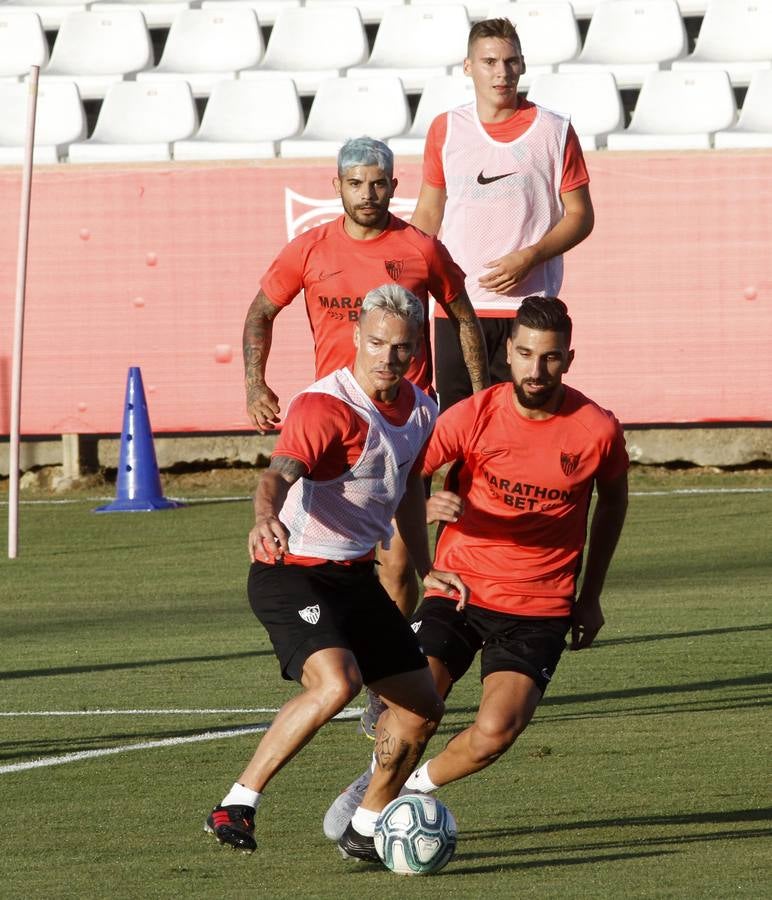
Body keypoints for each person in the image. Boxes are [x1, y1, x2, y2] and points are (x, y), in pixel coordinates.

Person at [322, 296, 628, 840]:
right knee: (413, 709)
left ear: (569, 359)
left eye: (550, 357)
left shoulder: (596, 429)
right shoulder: (474, 415)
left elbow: (613, 503)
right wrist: (423, 506)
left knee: (495, 732)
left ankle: (411, 790)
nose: (536, 370)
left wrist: (591, 595)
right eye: (526, 354)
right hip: (457, 590)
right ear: (508, 352)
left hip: (540, 605)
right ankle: (368, 817)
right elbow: (406, 475)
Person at [206, 285, 468, 862]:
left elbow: (407, 491)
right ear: (355, 337)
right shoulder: (324, 407)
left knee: (423, 709)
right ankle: (237, 803)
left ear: (416, 348)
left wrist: (427, 568)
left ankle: (366, 826)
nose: (387, 358)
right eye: (375, 343)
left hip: (355, 580)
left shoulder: (422, 410)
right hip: (291, 572)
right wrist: (264, 516)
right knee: (337, 683)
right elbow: (276, 475)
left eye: (401, 347)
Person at [244, 136, 488, 736]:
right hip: (335, 431)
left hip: (404, 429)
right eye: (356, 183)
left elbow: (464, 315)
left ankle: (383, 685)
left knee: (401, 565)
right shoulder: (310, 249)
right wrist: (255, 383)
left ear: (393, 186)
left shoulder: (419, 248)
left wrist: (480, 400)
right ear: (338, 187)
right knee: (330, 551)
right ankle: (339, 654)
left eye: (378, 183)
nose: (368, 194)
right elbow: (260, 311)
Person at [411, 18, 595, 411]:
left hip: (528, 308)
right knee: (457, 422)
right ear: (468, 67)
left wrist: (530, 256)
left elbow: (581, 216)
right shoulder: (446, 129)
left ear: (523, 65)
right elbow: (428, 212)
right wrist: (408, 280)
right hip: (457, 306)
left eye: (511, 61)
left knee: (523, 422)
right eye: (490, 61)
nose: (502, 72)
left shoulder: (555, 130)